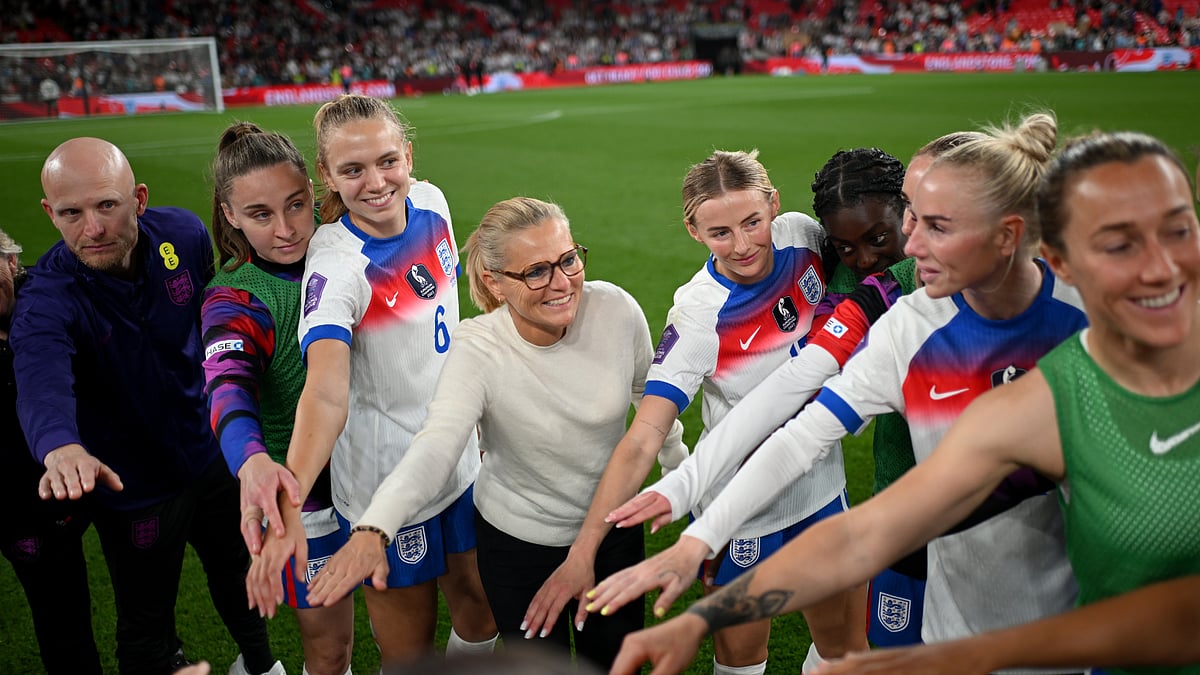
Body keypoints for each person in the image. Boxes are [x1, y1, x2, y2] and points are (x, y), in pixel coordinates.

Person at [604, 130, 1200, 675]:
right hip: (969, 619)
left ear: (1013, 235)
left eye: (934, 225)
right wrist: (700, 561)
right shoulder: (910, 325)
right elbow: (808, 442)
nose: (908, 243)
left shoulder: (1081, 329)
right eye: (910, 218)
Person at [525, 148, 903, 675]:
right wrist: (584, 550)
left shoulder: (801, 235)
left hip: (821, 486)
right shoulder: (699, 314)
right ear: (693, 231)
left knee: (845, 648)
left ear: (774, 205)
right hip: (741, 513)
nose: (744, 244)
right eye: (720, 232)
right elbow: (645, 435)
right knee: (743, 660)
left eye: (753, 221)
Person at [302, 196, 687, 670]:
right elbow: (437, 446)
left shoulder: (616, 309)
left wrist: (678, 464)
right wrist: (373, 527)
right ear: (495, 281)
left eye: (568, 260)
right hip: (516, 544)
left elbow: (648, 399)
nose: (562, 283)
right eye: (536, 272)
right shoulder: (478, 348)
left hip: (612, 531)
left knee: (613, 664)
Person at [11, 137, 282, 675]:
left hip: (209, 456)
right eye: (71, 213)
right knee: (145, 618)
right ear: (50, 212)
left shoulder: (182, 234)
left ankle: (259, 664)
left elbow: (219, 325)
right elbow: (40, 377)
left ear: (138, 197)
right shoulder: (46, 297)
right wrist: (60, 446)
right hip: (134, 487)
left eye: (106, 205)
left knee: (238, 571)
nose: (92, 229)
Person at [244, 93, 498, 665]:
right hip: (385, 483)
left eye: (388, 161)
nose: (376, 181)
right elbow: (327, 390)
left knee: (481, 611)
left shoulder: (433, 204)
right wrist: (290, 498)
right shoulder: (335, 266)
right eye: (352, 170)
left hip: (460, 459)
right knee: (408, 652)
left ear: (408, 154)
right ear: (328, 178)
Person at [201, 122, 354, 675]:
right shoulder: (236, 295)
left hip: (383, 467)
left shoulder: (347, 246)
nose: (288, 229)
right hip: (303, 493)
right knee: (330, 650)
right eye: (262, 214)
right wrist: (252, 460)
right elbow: (226, 382)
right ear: (230, 215)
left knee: (407, 628)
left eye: (297, 205)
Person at [0, 227, 102, 675]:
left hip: (75, 481)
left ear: (10, 262)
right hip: (16, 500)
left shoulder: (50, 299)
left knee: (72, 616)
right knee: (60, 615)